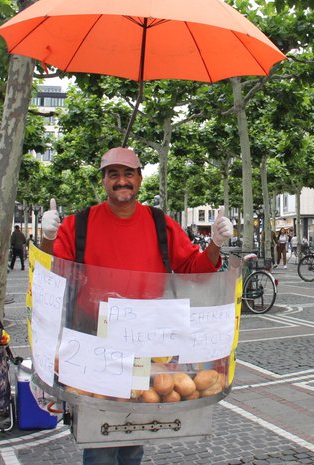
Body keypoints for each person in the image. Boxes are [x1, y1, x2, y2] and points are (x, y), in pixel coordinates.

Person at [40, 147, 232, 465]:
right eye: (113, 174)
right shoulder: (80, 224)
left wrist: (215, 244)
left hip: (147, 346)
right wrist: (47, 238)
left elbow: (194, 271)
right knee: (100, 439)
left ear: (140, 179)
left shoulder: (160, 224)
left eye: (128, 173)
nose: (121, 181)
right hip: (95, 344)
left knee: (135, 435)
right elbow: (52, 271)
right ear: (103, 181)